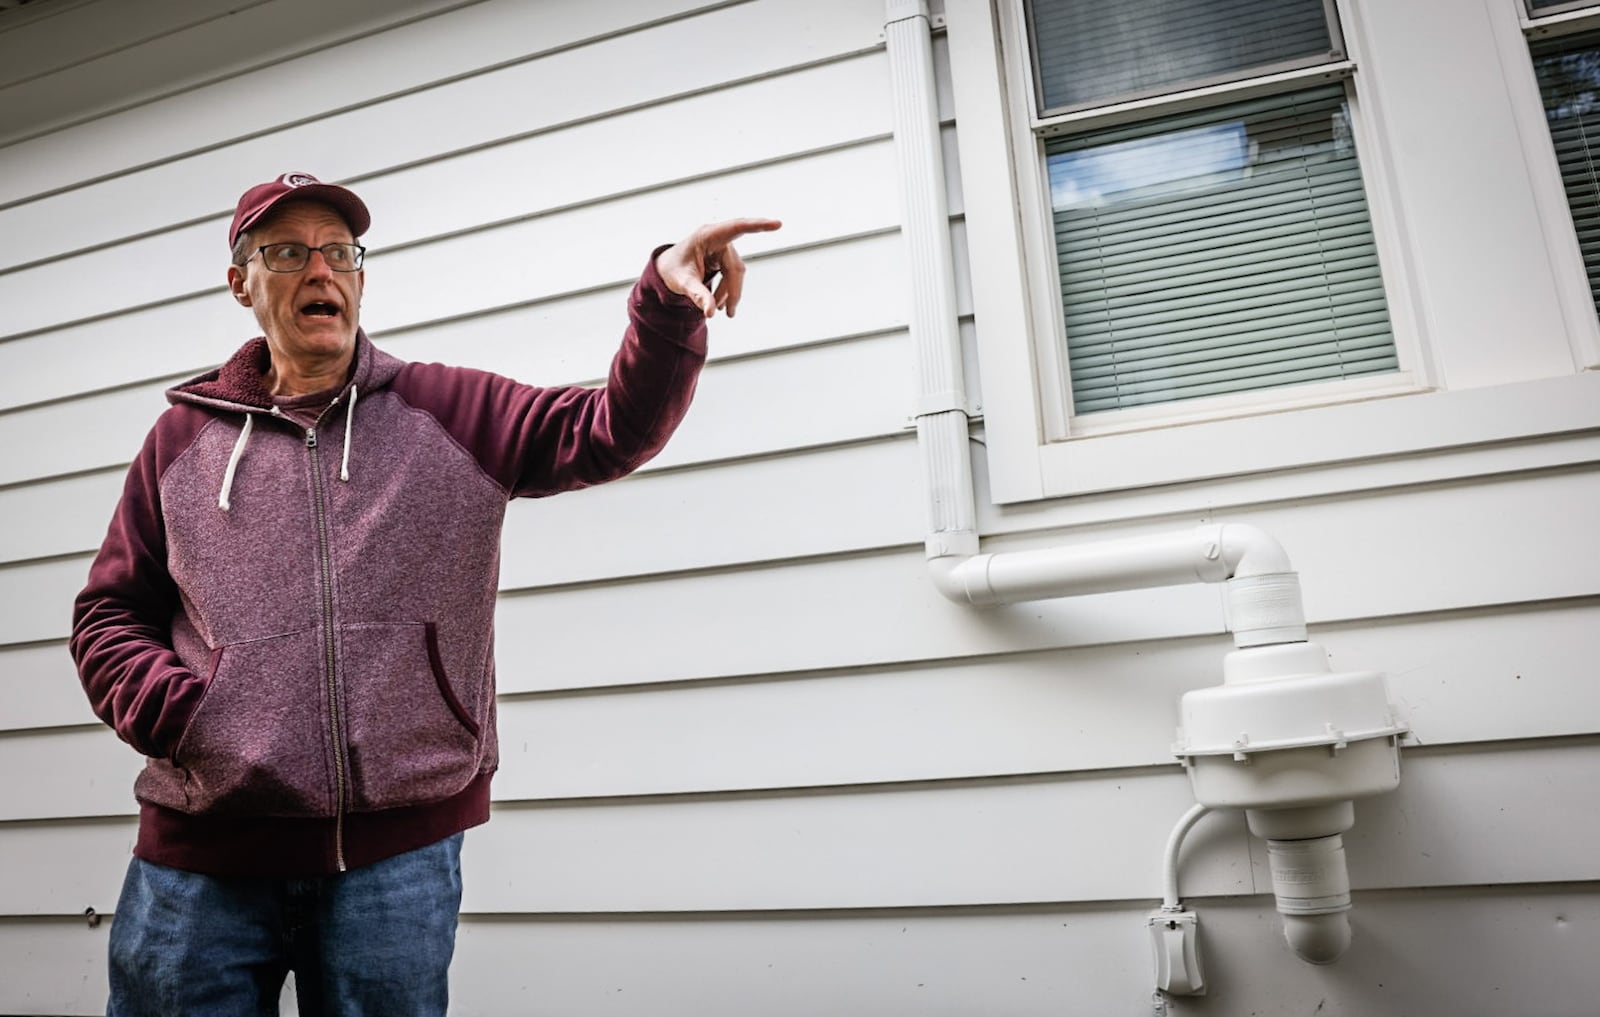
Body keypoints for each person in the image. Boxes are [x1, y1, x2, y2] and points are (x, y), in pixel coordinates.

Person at [69, 171, 780, 1016]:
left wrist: (664, 302)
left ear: (362, 276)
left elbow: (608, 430)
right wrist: (183, 713)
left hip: (392, 865)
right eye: (288, 252)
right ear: (242, 283)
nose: (320, 271)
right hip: (201, 863)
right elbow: (109, 612)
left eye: (339, 252)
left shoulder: (449, 411)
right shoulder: (180, 441)